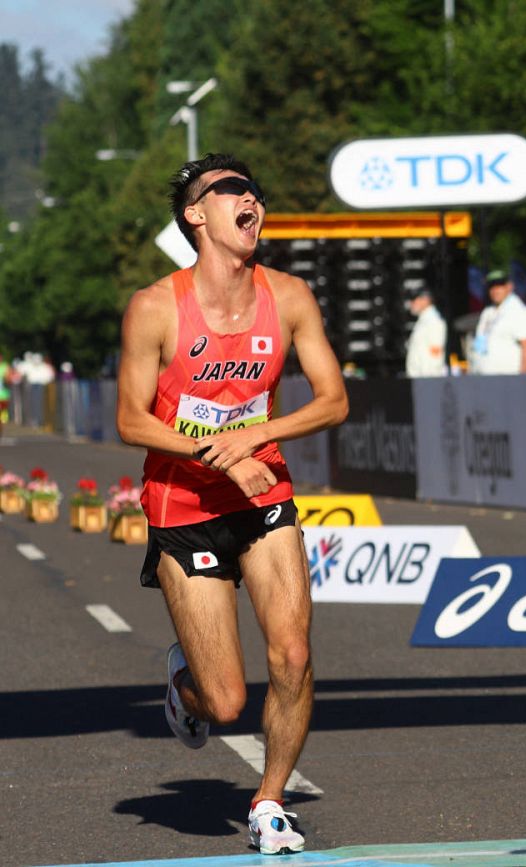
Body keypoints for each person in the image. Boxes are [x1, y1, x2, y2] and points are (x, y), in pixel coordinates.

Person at [115, 153, 348, 855]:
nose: (252, 198)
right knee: (224, 702)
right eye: (231, 190)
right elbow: (130, 420)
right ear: (196, 214)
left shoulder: (291, 296)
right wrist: (219, 447)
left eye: (255, 189)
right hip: (185, 502)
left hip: (265, 490)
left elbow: (334, 400)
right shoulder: (157, 305)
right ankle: (183, 680)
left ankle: (270, 799)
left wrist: (260, 435)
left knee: (294, 652)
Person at [470, 269, 526, 374]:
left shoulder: (518, 310)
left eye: (499, 285)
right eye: (491, 286)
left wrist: (522, 379)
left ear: (509, 286)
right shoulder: (487, 312)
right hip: (483, 378)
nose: (495, 290)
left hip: (508, 379)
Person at [404, 289, 448, 377]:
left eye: (414, 299)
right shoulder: (423, 321)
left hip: (428, 379)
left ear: (426, 300)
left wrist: (430, 380)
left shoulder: (434, 321)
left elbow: (436, 352)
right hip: (418, 379)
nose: (411, 303)